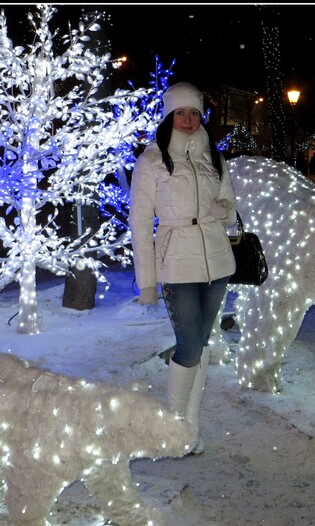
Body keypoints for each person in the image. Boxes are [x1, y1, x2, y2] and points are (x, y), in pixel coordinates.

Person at [129, 82, 238, 455]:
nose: (189, 120)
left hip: (217, 263)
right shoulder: (152, 161)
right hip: (176, 264)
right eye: (180, 112)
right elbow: (140, 224)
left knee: (201, 342)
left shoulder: (215, 159)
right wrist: (147, 282)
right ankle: (173, 429)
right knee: (189, 344)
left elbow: (230, 210)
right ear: (168, 116)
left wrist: (225, 213)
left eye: (194, 112)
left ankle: (189, 428)